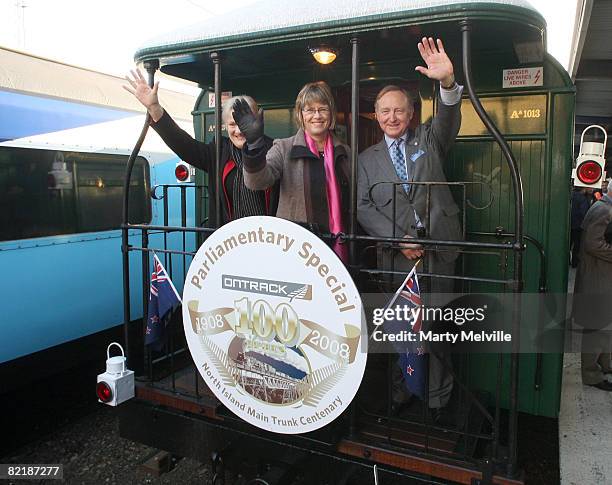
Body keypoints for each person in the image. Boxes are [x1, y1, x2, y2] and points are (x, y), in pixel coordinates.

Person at [357, 37, 463, 424]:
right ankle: (405, 392)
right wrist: (398, 240)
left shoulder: (429, 139)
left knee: (436, 327)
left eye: (398, 110)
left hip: (440, 254)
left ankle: (438, 401)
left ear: (410, 113)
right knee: (404, 328)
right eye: (384, 111)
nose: (391, 117)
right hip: (399, 259)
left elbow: (450, 118)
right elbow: (363, 207)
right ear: (376, 115)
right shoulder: (366, 160)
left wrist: (448, 84)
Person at [124, 69, 278, 225]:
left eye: (245, 123)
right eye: (232, 124)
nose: (239, 130)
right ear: (225, 126)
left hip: (268, 240)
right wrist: (154, 108)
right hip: (228, 243)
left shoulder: (274, 150)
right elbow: (184, 145)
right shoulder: (219, 151)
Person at [232, 81, 350, 261]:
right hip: (297, 251)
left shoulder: (345, 151)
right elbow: (256, 182)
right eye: (309, 110)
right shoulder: (284, 148)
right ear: (300, 115)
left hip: (338, 250)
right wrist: (254, 146)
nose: (316, 115)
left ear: (331, 113)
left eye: (322, 109)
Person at [573, 181, 612, 391]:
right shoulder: (603, 210)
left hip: (601, 277)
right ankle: (592, 374)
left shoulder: (603, 207)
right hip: (599, 279)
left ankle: (605, 364)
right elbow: (593, 243)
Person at [570, 187, 590, 268]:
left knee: (568, 244)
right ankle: (575, 263)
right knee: (577, 246)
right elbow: (584, 213)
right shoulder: (583, 199)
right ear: (583, 189)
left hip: (569, 225)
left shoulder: (570, 195)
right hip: (578, 226)